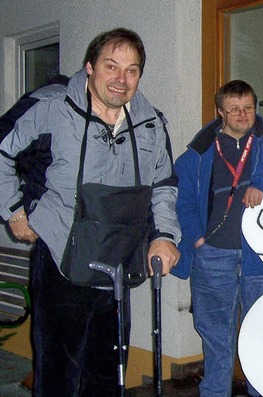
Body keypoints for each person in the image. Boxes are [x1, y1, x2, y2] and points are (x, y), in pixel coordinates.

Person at [0, 28, 181, 396]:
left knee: (107, 375)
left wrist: (163, 236)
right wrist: (14, 212)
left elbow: (163, 185)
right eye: (111, 66)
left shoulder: (150, 125)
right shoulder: (51, 108)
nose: (121, 79)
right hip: (59, 258)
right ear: (89, 67)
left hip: (118, 263)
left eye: (132, 70)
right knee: (58, 376)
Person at [172, 80, 263, 397]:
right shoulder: (196, 155)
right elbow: (183, 203)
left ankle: (262, 392)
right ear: (220, 111)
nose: (242, 114)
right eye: (234, 108)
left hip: (261, 258)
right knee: (216, 338)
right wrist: (197, 239)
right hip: (212, 256)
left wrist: (262, 183)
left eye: (248, 107)